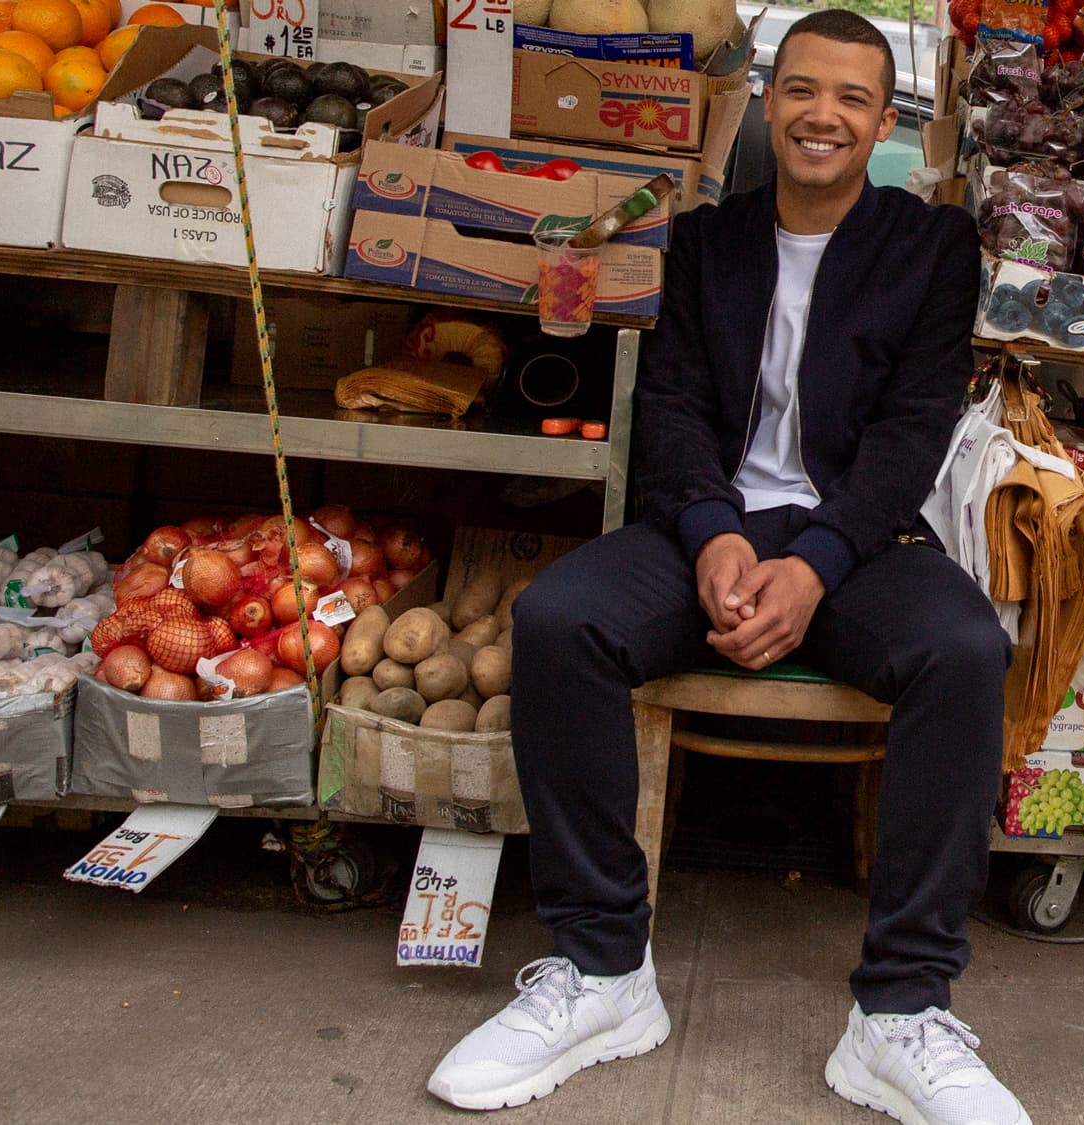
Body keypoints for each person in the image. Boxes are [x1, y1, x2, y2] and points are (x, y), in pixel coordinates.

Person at [425, 10, 1030, 1124]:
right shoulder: (705, 240)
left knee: (961, 649)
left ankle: (899, 1012)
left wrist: (817, 562)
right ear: (764, 100)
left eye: (851, 98)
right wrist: (714, 536)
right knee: (560, 618)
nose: (822, 116)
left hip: (859, 542)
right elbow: (670, 408)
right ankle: (603, 971)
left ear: (882, 123)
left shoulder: (930, 246)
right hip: (712, 528)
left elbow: (912, 432)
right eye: (801, 90)